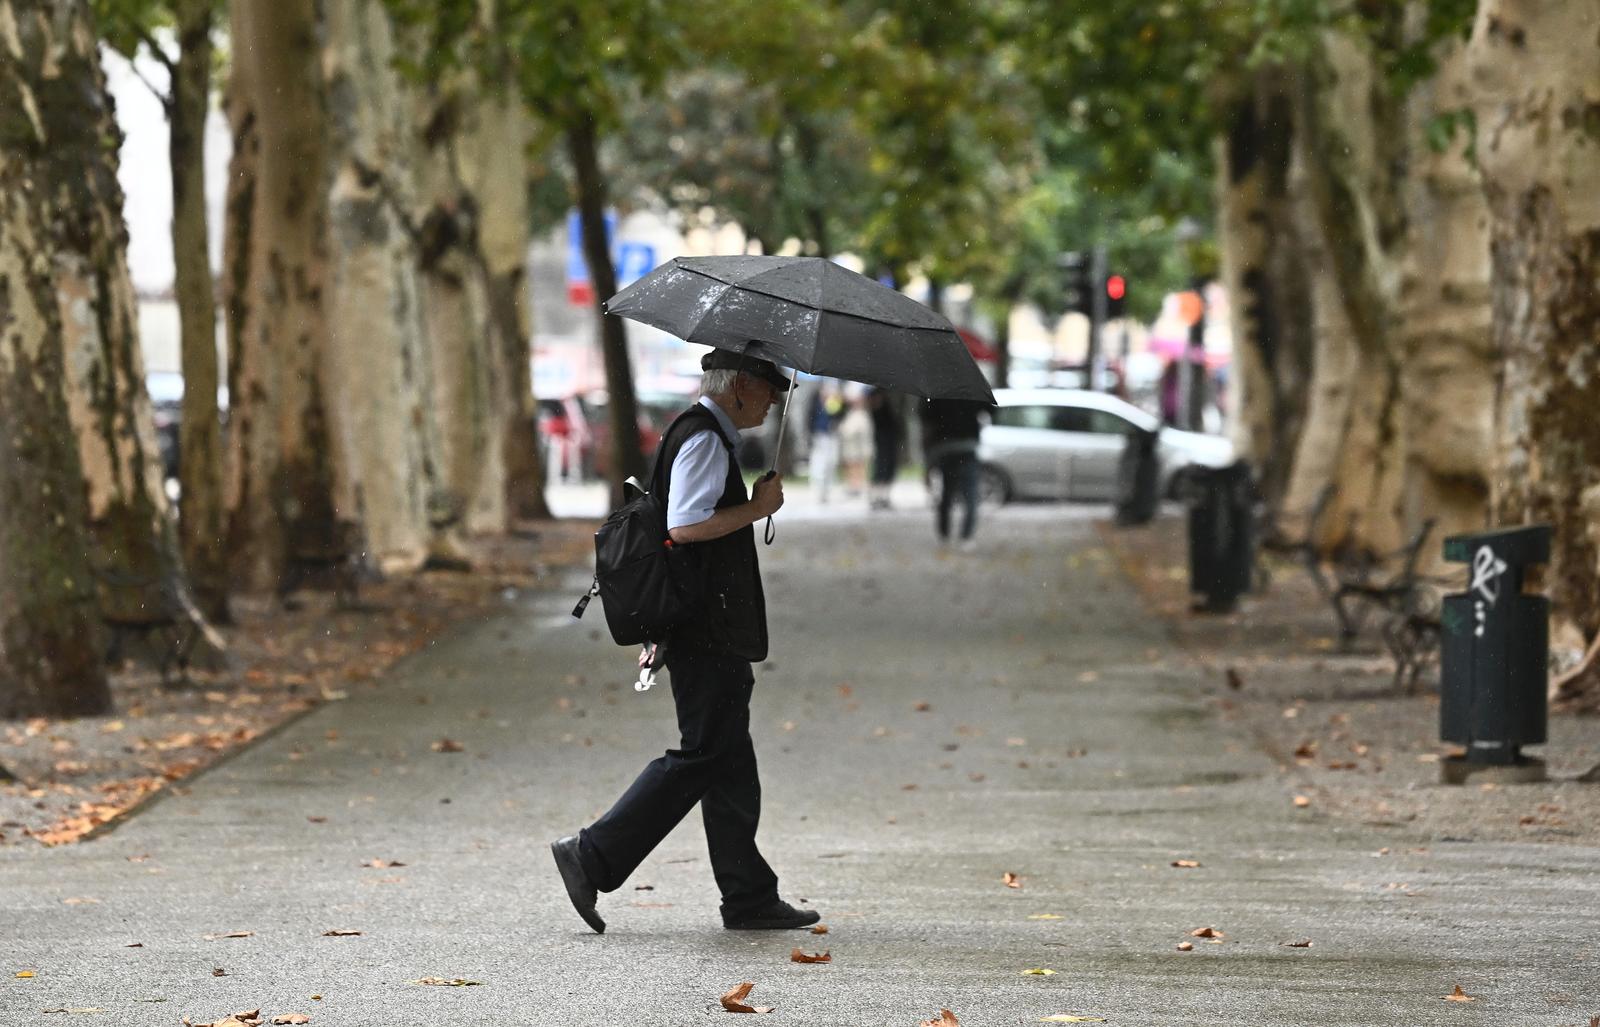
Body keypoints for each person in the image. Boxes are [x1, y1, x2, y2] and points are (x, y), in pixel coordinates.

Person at [551, 349, 820, 934]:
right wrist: (755, 507)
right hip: (704, 624)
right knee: (706, 753)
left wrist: (749, 500)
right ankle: (591, 854)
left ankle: (748, 895)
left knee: (730, 760)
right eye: (770, 390)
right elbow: (684, 526)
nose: (774, 401)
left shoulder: (704, 434)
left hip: (706, 621)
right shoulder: (701, 437)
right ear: (742, 387)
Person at [921, 397, 988, 549]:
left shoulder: (939, 392)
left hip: (946, 447)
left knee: (947, 494)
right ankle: (966, 536)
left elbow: (928, 419)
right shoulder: (971, 390)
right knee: (970, 495)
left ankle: (944, 534)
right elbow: (988, 410)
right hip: (968, 446)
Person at [807, 383, 843, 504]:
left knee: (831, 462)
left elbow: (838, 415)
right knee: (819, 463)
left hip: (831, 435)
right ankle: (818, 490)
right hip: (819, 435)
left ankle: (826, 491)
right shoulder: (815, 400)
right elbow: (810, 417)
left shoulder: (835, 400)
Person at [867, 387, 900, 510]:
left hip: (889, 437)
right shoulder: (875, 395)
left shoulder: (888, 398)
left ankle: (884, 496)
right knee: (880, 466)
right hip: (881, 438)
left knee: (889, 466)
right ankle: (876, 496)